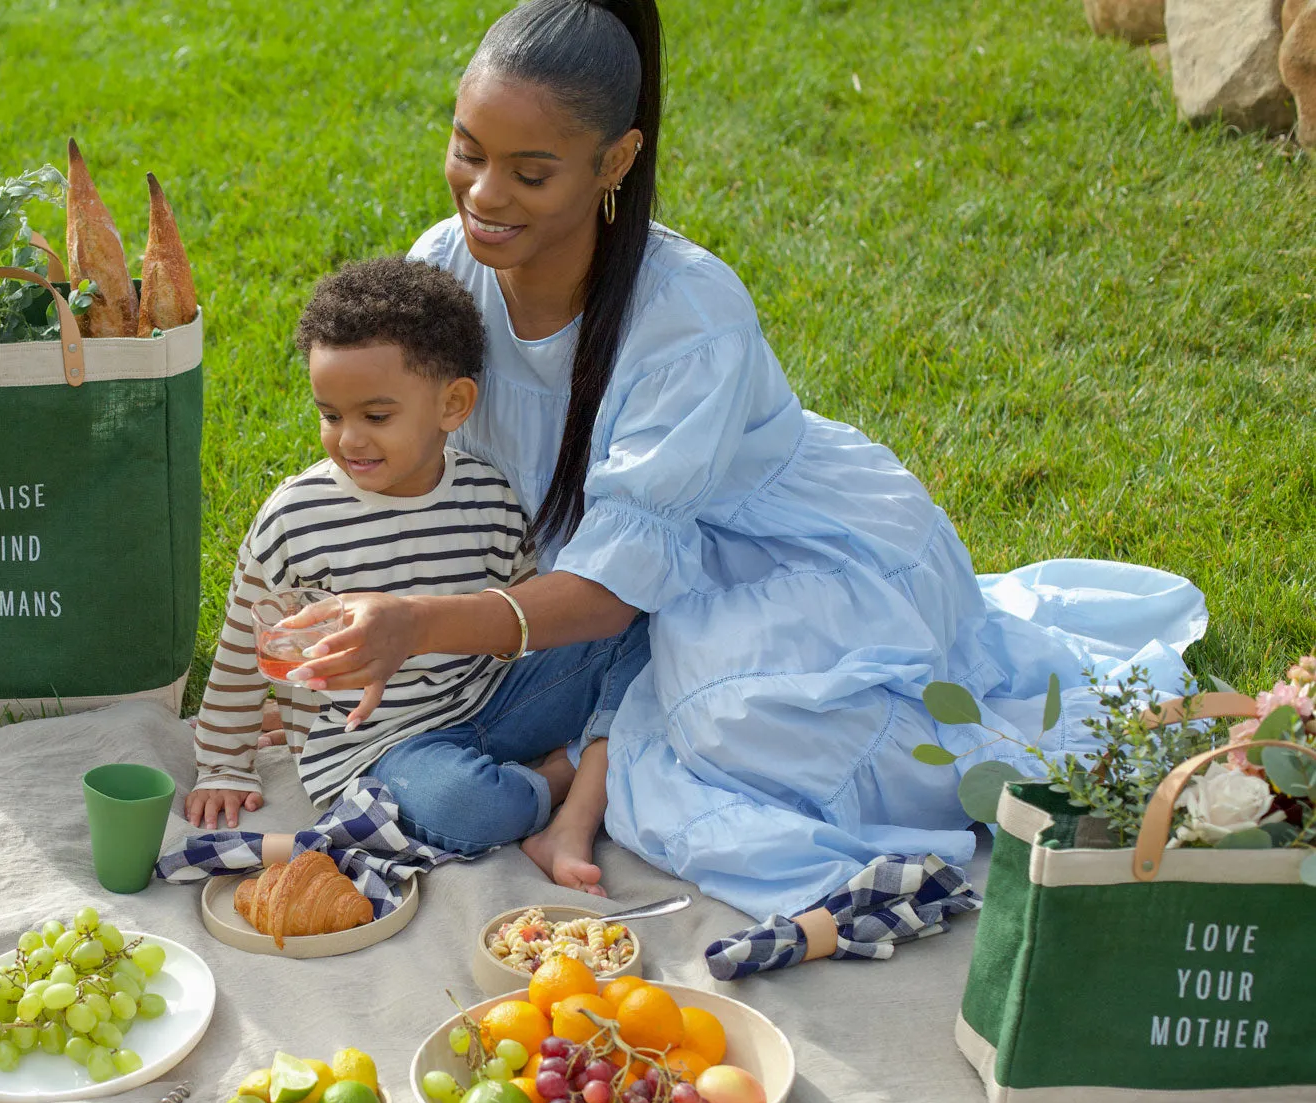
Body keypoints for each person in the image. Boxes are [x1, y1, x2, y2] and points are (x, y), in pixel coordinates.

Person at [284, 0, 1206, 922]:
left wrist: (414, 622)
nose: (483, 195)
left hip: (780, 552)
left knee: (726, 722)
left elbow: (613, 588)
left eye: (529, 173)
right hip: (594, 584)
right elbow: (413, 459)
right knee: (612, 686)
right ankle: (584, 766)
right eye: (467, 150)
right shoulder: (445, 267)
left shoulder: (687, 310)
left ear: (614, 162)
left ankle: (581, 774)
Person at [186, 256, 649, 893]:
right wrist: (223, 764)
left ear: (452, 404)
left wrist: (557, 677)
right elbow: (243, 645)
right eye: (330, 414)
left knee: (640, 625)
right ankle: (558, 778)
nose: (348, 439)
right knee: (469, 807)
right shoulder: (296, 519)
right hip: (378, 747)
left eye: (375, 417)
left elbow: (525, 617)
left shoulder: (490, 498)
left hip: (493, 699)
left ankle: (552, 775)